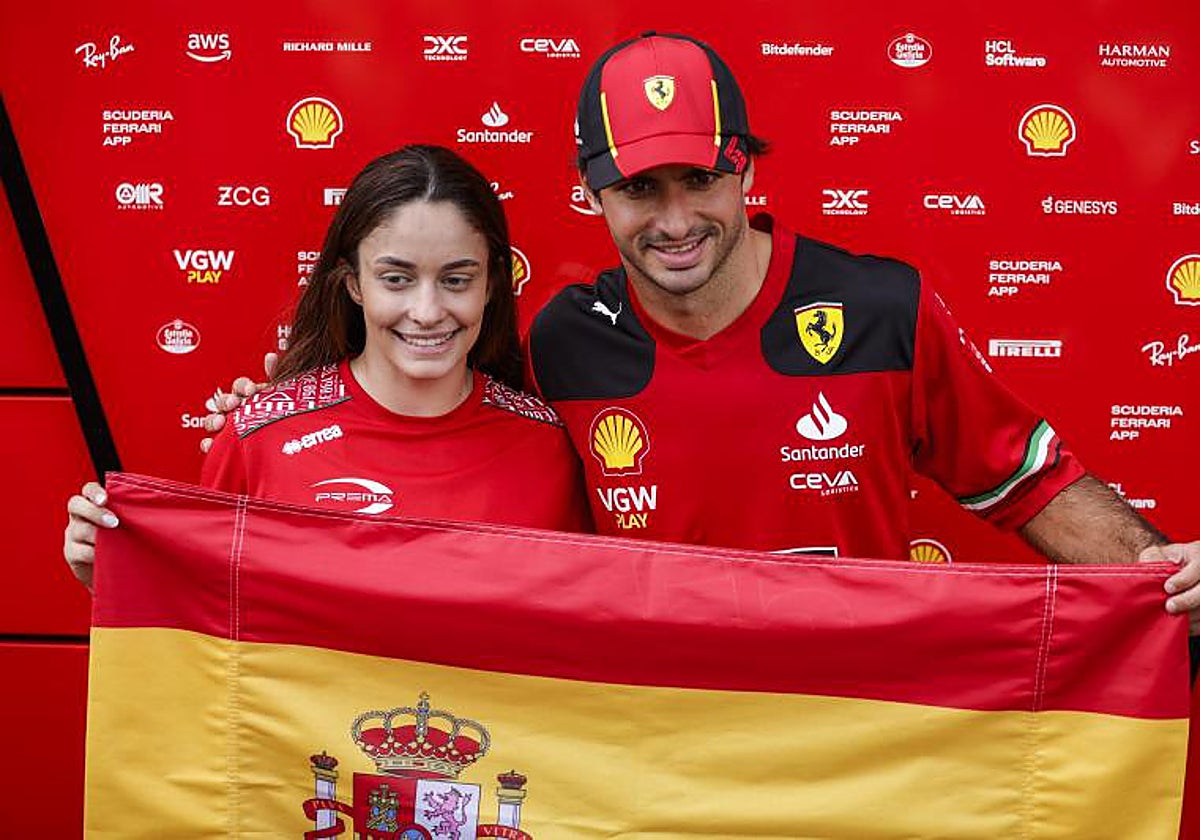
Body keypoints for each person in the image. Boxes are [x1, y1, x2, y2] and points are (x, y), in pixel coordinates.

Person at [71, 34, 1200, 630]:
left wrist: (1165, 583)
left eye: (698, 180)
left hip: (857, 734)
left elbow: (1029, 483)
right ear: (593, 196)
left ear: (744, 168)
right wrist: (257, 425)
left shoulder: (882, 309)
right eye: (635, 189)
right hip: (642, 756)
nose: (671, 220)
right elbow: (427, 445)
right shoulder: (562, 345)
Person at [64, 145, 589, 590]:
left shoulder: (547, 448)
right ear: (354, 283)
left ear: (492, 285)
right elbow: (215, 630)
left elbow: (579, 636)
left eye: (456, 280)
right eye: (396, 279)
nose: (427, 312)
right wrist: (116, 579)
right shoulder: (258, 438)